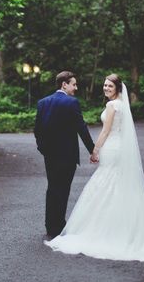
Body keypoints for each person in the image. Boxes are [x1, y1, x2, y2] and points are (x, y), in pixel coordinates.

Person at [44, 73, 144, 262]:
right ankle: (123, 226)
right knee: (118, 184)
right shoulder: (122, 105)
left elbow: (106, 131)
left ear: (117, 89)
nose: (106, 88)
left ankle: (105, 230)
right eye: (105, 85)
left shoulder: (111, 105)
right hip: (118, 148)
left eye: (110, 86)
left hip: (112, 148)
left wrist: (95, 150)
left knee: (106, 184)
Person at [34, 71, 98, 239]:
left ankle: (50, 226)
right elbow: (81, 128)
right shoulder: (71, 103)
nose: (75, 88)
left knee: (52, 188)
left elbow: (37, 129)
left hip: (49, 155)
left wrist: (43, 148)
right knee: (63, 190)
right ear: (64, 84)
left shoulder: (43, 103)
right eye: (74, 84)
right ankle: (59, 225)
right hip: (67, 156)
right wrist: (92, 149)